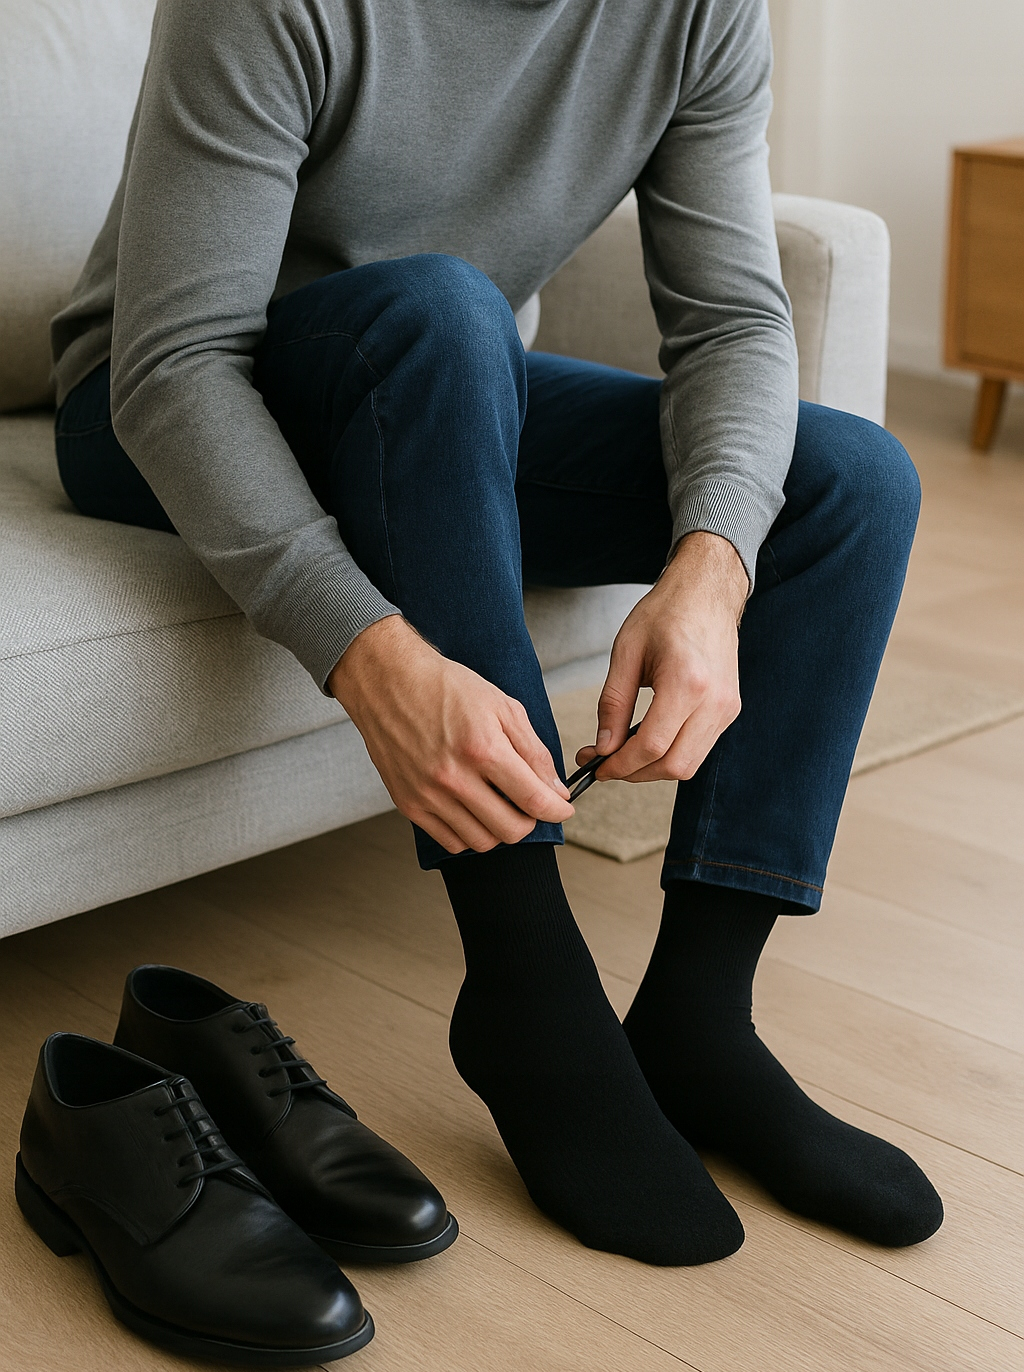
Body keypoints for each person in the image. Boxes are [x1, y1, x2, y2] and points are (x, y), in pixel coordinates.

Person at [50, 0, 943, 1267]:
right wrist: (367, 652)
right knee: (441, 309)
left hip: (445, 392)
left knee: (848, 483)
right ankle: (528, 990)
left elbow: (734, 322)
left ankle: (700, 1020)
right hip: (163, 401)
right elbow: (174, 363)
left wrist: (712, 566)